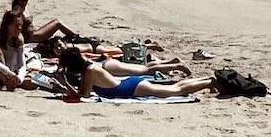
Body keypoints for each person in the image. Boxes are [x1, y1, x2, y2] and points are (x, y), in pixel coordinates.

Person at [58, 45, 212, 101]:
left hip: (130, 88)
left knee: (176, 91)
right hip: (128, 84)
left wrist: (64, 83)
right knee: (176, 86)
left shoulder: (90, 70)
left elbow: (83, 95)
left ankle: (211, 82)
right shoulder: (88, 67)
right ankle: (208, 79)